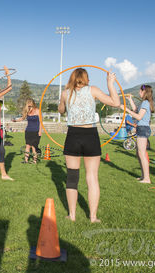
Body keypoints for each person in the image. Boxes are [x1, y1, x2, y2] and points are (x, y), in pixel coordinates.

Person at [58, 68, 120, 223]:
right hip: (90, 135)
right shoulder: (93, 90)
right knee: (92, 177)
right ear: (86, 78)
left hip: (73, 135)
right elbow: (116, 103)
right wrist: (110, 83)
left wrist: (62, 102)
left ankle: (72, 215)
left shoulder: (66, 93)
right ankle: (92, 217)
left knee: (72, 177)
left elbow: (61, 111)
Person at [122, 85, 154, 184]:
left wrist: (126, 109)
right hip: (141, 128)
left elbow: (139, 117)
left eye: (140, 91)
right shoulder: (143, 103)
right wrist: (130, 100)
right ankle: (143, 176)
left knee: (142, 153)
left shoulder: (145, 103)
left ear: (144, 92)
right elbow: (136, 110)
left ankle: (147, 178)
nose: (139, 93)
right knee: (138, 153)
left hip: (143, 129)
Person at [13, 98, 42, 164]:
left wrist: (40, 131)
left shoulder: (38, 111)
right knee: (27, 146)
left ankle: (34, 161)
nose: (29, 107)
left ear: (33, 104)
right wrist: (15, 120)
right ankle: (26, 160)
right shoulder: (27, 111)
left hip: (36, 131)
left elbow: (41, 122)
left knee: (34, 147)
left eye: (30, 105)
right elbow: (22, 118)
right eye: (28, 105)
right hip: (28, 131)